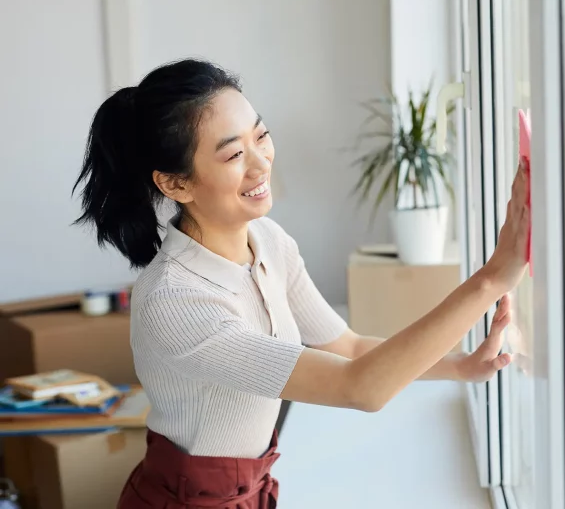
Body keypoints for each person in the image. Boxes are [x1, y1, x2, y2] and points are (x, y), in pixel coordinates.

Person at [72, 58, 530, 509]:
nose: (260, 164)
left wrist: (459, 366)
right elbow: (359, 387)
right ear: (176, 184)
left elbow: (347, 350)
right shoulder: (175, 300)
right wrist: (491, 279)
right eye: (234, 154)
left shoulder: (268, 240)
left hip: (250, 489)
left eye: (262, 136)